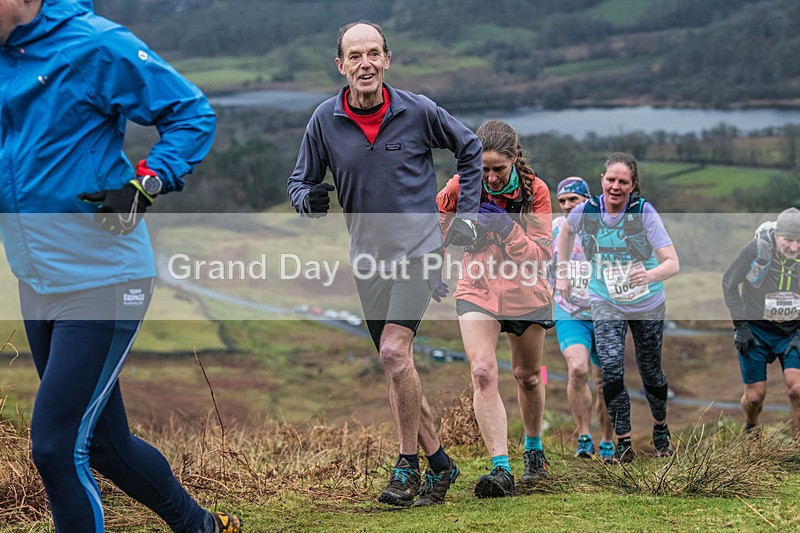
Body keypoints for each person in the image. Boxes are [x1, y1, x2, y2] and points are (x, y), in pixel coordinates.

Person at [0, 1, 240, 532]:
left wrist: (145, 184)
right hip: (36, 278)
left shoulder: (92, 44)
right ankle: (202, 526)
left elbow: (192, 113)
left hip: (104, 276)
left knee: (57, 447)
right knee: (106, 444)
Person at [287, 20, 482, 507]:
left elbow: (471, 148)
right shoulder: (323, 121)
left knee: (395, 353)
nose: (365, 63)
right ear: (341, 66)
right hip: (367, 261)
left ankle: (406, 467)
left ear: (387, 59)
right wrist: (308, 200)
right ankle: (441, 465)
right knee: (398, 365)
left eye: (373, 53)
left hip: (419, 253)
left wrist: (468, 218)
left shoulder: (418, 111)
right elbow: (299, 182)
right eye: (355, 56)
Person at [437, 120, 553, 498]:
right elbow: (433, 225)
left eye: (498, 169)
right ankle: (500, 468)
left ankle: (533, 449)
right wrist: (432, 266)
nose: (490, 177)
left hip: (526, 292)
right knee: (483, 372)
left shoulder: (535, 192)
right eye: (483, 168)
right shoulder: (460, 186)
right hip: (478, 287)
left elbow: (541, 255)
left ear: (514, 158)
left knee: (527, 376)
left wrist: (508, 230)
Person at [555, 153, 680, 463]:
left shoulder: (644, 213)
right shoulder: (587, 211)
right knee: (610, 369)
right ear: (601, 180)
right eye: (610, 180)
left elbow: (673, 263)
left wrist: (648, 275)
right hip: (606, 300)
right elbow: (567, 231)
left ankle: (660, 428)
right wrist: (563, 272)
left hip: (646, 302)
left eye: (623, 182)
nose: (615, 186)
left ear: (632, 185)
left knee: (650, 369)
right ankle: (623, 441)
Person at [551, 177, 615, 462]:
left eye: (572, 200)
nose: (566, 206)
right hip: (569, 311)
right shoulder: (554, 229)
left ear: (587, 202)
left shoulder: (604, 228)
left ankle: (609, 440)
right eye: (562, 201)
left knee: (606, 381)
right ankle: (584, 435)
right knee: (577, 369)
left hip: (604, 313)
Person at [722, 207, 800, 439]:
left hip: (792, 332)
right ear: (777, 236)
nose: (794, 248)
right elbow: (728, 284)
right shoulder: (756, 249)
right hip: (756, 331)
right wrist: (742, 327)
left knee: (797, 389)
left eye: (799, 241)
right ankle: (751, 426)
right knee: (755, 396)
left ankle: (797, 447)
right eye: (788, 240)